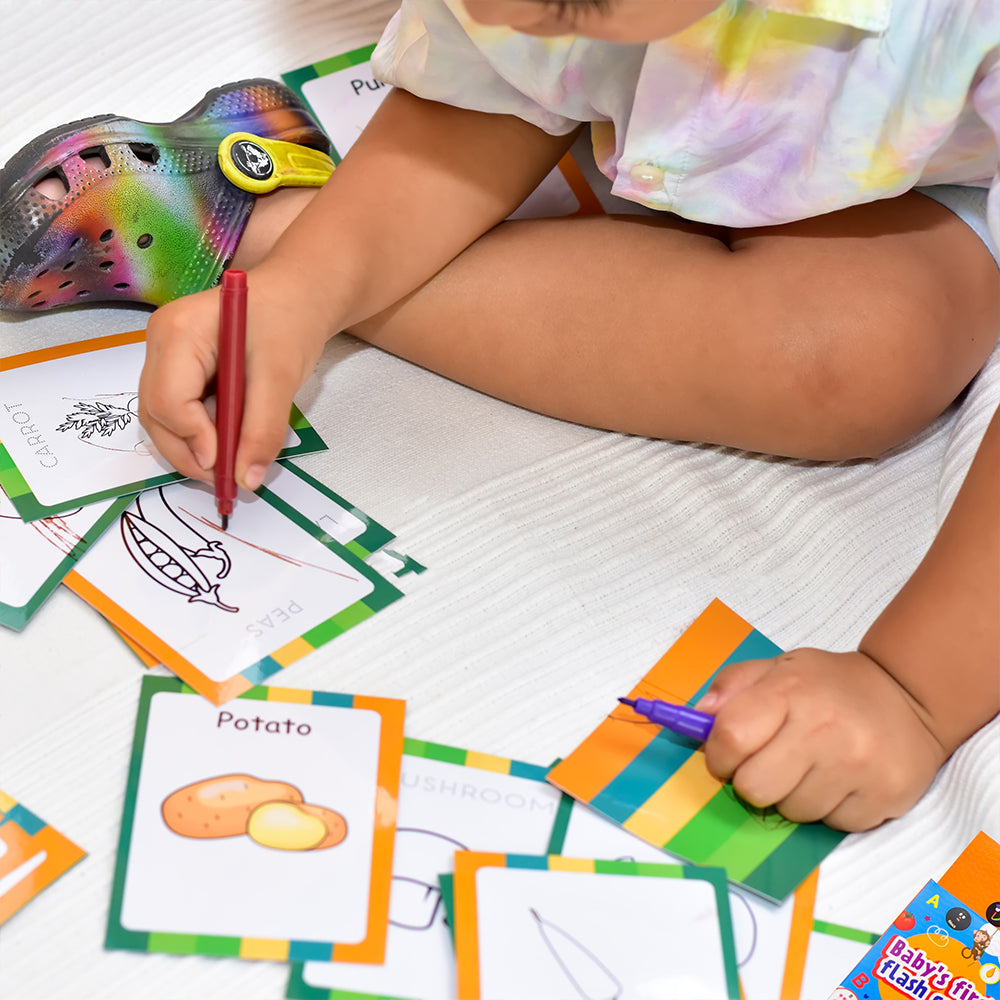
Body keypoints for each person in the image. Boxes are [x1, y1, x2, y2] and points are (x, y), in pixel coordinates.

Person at [1, 0, 997, 832]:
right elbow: (494, 92)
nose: (503, 13)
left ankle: (269, 223)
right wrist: (305, 292)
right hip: (806, 112)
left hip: (938, 163)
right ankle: (274, 229)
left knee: (856, 358)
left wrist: (913, 689)